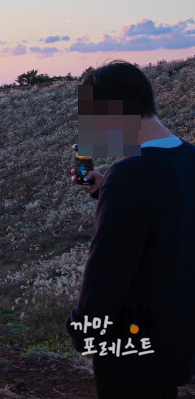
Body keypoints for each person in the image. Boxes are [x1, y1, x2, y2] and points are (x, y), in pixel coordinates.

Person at [65, 60, 195, 398]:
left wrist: (83, 332)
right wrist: (106, 191)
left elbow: (107, 271)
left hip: (134, 345)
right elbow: (169, 216)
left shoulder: (131, 176)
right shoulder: (187, 158)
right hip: (178, 338)